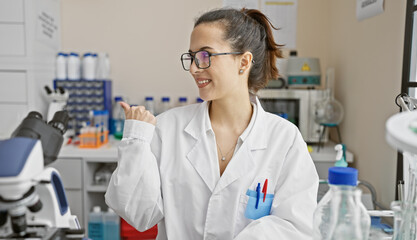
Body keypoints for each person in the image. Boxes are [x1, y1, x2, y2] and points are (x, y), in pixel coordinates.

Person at [105, 8, 319, 240]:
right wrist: (135, 141)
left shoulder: (284, 139)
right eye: (192, 57)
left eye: (206, 56)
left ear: (244, 62)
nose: (195, 68)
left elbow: (295, 227)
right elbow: (138, 214)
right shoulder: (167, 129)